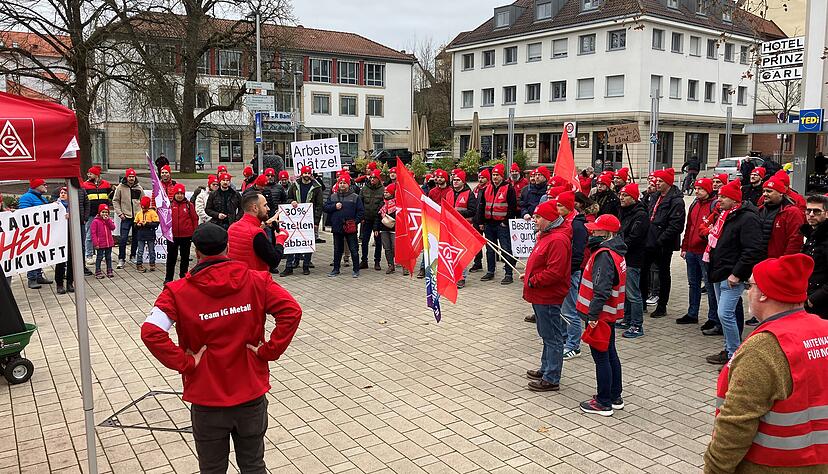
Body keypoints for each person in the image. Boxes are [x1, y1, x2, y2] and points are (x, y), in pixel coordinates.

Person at [141, 223, 301, 473]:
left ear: (196, 252)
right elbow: (291, 311)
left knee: (212, 469)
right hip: (250, 394)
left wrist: (185, 362)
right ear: (227, 248)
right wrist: (268, 350)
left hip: (207, 399)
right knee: (253, 465)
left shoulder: (176, 291)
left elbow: (151, 332)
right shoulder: (257, 280)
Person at [704, 254, 828, 473]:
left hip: (772, 465)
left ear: (763, 295)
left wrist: (715, 469)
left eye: (750, 285)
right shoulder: (824, 329)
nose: (748, 292)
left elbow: (736, 425)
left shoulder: (763, 348)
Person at [704, 180, 763, 365]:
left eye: (723, 196)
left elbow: (752, 250)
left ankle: (735, 355)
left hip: (731, 275)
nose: (718, 199)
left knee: (725, 314)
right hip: (718, 270)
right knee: (724, 314)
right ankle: (729, 349)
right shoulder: (726, 214)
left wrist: (737, 273)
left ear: (734, 199)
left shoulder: (747, 218)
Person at [577, 214, 627, 416]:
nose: (592, 232)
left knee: (601, 357)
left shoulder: (604, 255)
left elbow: (602, 290)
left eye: (597, 230)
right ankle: (615, 396)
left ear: (608, 233)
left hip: (600, 315)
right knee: (610, 353)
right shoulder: (616, 251)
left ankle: (603, 401)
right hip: (610, 314)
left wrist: (592, 316)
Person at [521, 200, 572, 392]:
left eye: (538, 217)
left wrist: (534, 281)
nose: (534, 220)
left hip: (548, 295)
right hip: (541, 294)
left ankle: (551, 377)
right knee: (547, 335)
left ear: (550, 219)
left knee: (552, 337)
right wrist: (529, 275)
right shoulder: (547, 236)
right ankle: (546, 368)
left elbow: (555, 272)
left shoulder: (557, 239)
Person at [641, 168, 685, 318]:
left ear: (668, 183)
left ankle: (662, 306)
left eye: (660, 181)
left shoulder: (676, 201)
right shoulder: (654, 196)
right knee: (644, 271)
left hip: (662, 244)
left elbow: (676, 225)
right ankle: (642, 301)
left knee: (663, 274)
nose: (657, 183)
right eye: (657, 181)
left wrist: (660, 240)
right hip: (649, 241)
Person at [550, 191, 587, 359]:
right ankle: (566, 339)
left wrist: (567, 270)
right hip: (563, 272)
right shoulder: (564, 222)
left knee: (570, 310)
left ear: (568, 207)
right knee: (562, 310)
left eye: (560, 205)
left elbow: (578, 253)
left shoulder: (577, 225)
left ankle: (574, 345)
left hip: (570, 273)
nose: (556, 208)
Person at [677, 178, 718, 325]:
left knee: (709, 285)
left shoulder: (714, 206)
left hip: (705, 252)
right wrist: (685, 247)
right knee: (693, 284)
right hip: (692, 251)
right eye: (696, 188)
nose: (697, 191)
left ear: (708, 190)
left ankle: (713, 317)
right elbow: (689, 227)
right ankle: (692, 313)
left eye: (701, 189)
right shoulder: (694, 204)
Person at [476, 164, 518, 285]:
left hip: (502, 224)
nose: (495, 177)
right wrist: (481, 222)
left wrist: (505, 222)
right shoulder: (487, 189)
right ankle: (490, 271)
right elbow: (482, 206)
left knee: (505, 249)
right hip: (489, 223)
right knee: (490, 249)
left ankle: (508, 273)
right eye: (493, 175)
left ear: (502, 176)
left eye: (497, 175)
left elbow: (512, 207)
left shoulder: (509, 189)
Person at [616, 183, 649, 338]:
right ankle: (627, 319)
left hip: (633, 258)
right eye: (621, 195)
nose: (621, 198)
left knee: (633, 293)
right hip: (624, 256)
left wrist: (618, 246)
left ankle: (637, 325)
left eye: (625, 195)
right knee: (626, 292)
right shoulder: (624, 211)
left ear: (634, 198)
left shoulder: (640, 215)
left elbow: (634, 237)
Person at [228, 193, 287, 273]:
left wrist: (265, 224)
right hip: (254, 280)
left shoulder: (232, 228)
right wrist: (280, 239)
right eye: (265, 205)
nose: (268, 208)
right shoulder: (257, 234)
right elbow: (274, 261)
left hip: (236, 278)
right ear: (255, 208)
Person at [283, 166, 324, 276]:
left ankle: (306, 266)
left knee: (307, 243)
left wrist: (316, 222)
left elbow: (319, 206)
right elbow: (287, 198)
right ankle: (289, 266)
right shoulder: (294, 186)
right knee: (292, 242)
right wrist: (292, 201)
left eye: (308, 173)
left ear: (311, 174)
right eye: (304, 173)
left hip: (308, 220)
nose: (306, 175)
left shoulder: (316, 187)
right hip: (295, 219)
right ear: (301, 174)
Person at [18, 179, 55, 289]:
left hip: (41, 230)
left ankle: (38, 275)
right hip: (31, 232)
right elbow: (24, 213)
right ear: (37, 186)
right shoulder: (26, 197)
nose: (46, 186)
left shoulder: (42, 198)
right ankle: (32, 278)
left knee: (39, 254)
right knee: (32, 254)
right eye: (43, 184)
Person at [325, 175, 364, 278]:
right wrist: (334, 206)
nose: (342, 185)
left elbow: (361, 212)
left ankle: (356, 269)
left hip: (350, 228)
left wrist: (354, 222)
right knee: (337, 249)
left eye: (344, 183)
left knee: (353, 249)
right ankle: (336, 269)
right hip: (337, 227)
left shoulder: (355, 197)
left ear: (348, 184)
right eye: (340, 183)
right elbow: (326, 207)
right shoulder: (333, 196)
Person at [445, 169, 478, 288]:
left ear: (463, 182)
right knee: (452, 254)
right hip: (450, 228)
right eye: (454, 180)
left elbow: (473, 211)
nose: (455, 182)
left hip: (464, 229)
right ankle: (453, 275)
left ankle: (461, 277)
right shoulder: (449, 193)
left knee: (462, 254)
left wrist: (457, 213)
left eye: (458, 180)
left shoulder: (469, 194)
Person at [758, 175, 805, 259]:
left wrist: (785, 261)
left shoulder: (792, 212)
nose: (765, 194)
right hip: (760, 261)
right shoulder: (760, 210)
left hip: (779, 262)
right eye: (763, 191)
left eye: (769, 191)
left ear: (781, 193)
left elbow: (795, 240)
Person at [802, 194, 828, 319]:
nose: (811, 214)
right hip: (808, 297)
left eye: (816, 211)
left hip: (821, 303)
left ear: (827, 213)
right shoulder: (811, 234)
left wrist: (814, 299)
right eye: (808, 210)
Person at [167, 184, 199, 283]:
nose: (180, 195)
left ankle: (183, 277)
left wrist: (194, 233)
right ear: (174, 194)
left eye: (182, 193)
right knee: (171, 258)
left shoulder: (189, 205)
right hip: (173, 236)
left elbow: (194, 219)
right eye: (178, 193)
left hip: (186, 236)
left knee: (185, 258)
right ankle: (168, 278)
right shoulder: (170, 205)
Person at [113, 168, 144, 269]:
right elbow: (115, 201)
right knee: (123, 238)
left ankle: (133, 255)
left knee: (136, 238)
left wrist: (142, 213)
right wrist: (120, 213)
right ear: (126, 177)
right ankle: (121, 258)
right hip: (125, 217)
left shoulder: (139, 187)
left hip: (137, 217)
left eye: (133, 176)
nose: (131, 178)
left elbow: (143, 200)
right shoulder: (120, 187)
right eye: (129, 176)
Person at [81, 166, 112, 263]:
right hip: (91, 214)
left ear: (97, 175)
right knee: (90, 234)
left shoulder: (106, 185)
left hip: (103, 214)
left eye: (91, 173)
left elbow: (111, 196)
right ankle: (89, 254)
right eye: (88, 173)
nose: (89, 175)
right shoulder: (85, 185)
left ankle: (101, 254)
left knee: (103, 234)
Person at [359, 169, 385, 271]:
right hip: (366, 219)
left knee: (378, 241)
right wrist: (361, 217)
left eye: (375, 178)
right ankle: (364, 260)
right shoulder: (364, 189)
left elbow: (383, 205)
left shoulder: (383, 190)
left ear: (379, 179)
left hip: (377, 220)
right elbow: (360, 203)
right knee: (364, 241)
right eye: (371, 178)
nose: (372, 179)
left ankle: (377, 261)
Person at [52, 187, 74, 294]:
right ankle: (59, 284)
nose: (63, 194)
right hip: (60, 236)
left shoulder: (73, 206)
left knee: (71, 260)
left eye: (65, 193)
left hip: (70, 235)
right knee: (60, 261)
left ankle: (70, 282)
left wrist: (72, 216)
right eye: (61, 193)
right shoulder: (55, 206)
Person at [469, 169, 490, 273]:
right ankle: (478, 263)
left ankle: (491, 266)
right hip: (476, 219)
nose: (480, 180)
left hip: (486, 220)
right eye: (479, 178)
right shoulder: (476, 189)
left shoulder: (489, 189)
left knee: (489, 245)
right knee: (476, 243)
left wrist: (483, 221)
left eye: (483, 178)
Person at [375, 183, 398, 274]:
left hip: (394, 229)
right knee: (387, 248)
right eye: (384, 192)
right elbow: (377, 217)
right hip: (383, 229)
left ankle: (403, 265)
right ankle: (390, 265)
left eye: (387, 192)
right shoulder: (382, 203)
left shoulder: (397, 203)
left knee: (395, 247)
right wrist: (376, 228)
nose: (385, 194)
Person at [134, 196, 160, 273]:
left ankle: (152, 264)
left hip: (150, 234)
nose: (144, 209)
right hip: (141, 234)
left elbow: (156, 223)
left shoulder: (152, 213)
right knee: (140, 251)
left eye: (145, 208)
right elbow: (135, 224)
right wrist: (137, 225)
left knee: (151, 250)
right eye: (143, 208)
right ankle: (139, 264)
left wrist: (147, 224)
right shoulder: (139, 213)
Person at [91, 204, 116, 278]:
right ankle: (98, 271)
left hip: (109, 243)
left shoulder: (108, 220)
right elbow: (93, 233)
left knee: (108, 257)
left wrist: (108, 220)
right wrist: (96, 243)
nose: (104, 214)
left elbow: (113, 227)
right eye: (103, 212)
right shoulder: (95, 221)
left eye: (106, 212)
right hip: (100, 243)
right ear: (99, 212)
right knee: (99, 257)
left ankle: (109, 270)